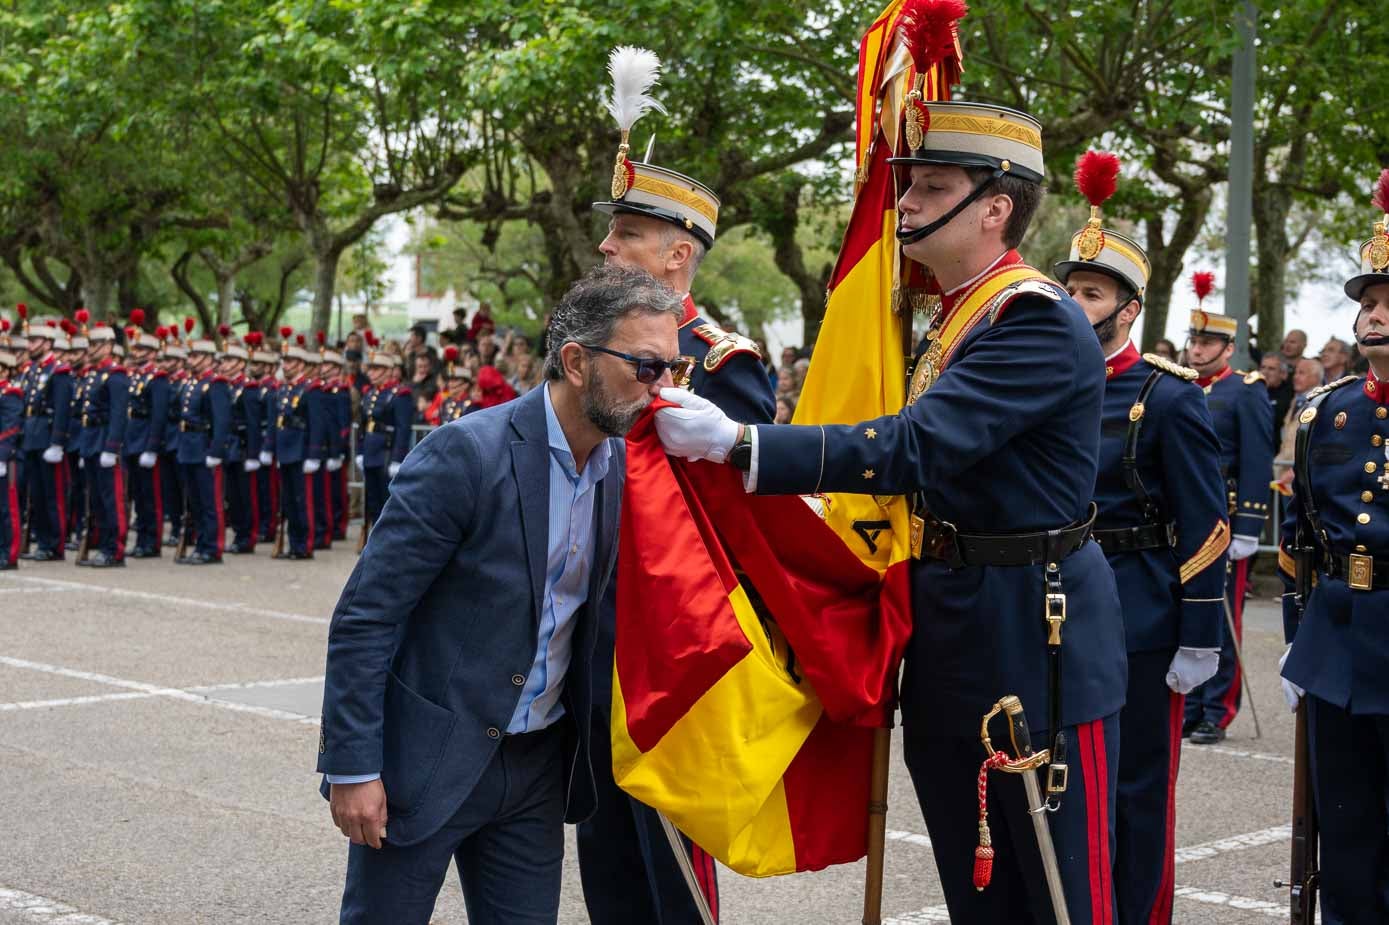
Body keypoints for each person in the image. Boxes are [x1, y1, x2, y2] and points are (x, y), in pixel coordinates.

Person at [656, 99, 1125, 924]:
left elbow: (920, 445)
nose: (901, 203)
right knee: (974, 881)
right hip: (955, 615)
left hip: (1030, 633)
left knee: (1051, 893)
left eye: (929, 184)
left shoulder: (1035, 318)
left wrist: (744, 443)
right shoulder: (955, 315)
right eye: (904, 184)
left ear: (994, 208)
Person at [318, 265, 677, 924]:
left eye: (671, 369)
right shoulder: (466, 455)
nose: (663, 389)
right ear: (575, 361)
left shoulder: (621, 468)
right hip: (425, 759)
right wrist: (352, 766)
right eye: (646, 367)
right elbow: (367, 616)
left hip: (537, 769)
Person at [580, 50, 776, 923]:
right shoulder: (586, 355)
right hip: (594, 626)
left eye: (623, 234)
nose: (603, 245)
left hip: (673, 650)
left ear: (677, 255)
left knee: (666, 869)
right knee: (604, 853)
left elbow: (746, 523)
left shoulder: (723, 366)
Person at [1054, 151, 1229, 922]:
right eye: (1066, 288)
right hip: (1054, 607)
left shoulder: (1164, 395)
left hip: (1138, 617)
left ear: (1127, 310)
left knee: (1133, 786)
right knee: (1060, 782)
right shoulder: (1043, 383)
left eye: (1090, 292)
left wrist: (1200, 631)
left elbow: (1205, 522)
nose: (1072, 303)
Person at [1278, 177, 1389, 923]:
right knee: (1344, 828)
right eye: (1366, 304)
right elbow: (1301, 542)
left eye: (1387, 303)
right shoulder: (1328, 411)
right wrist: (1298, 643)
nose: (1372, 315)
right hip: (1339, 635)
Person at [1182, 285, 1277, 744]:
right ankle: (1190, 703)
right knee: (1185, 614)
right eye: (1193, 341)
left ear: (1228, 348)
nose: (1197, 349)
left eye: (1206, 343)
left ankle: (1217, 710)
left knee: (1221, 619)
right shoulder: (1178, 385)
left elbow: (1259, 460)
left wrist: (1250, 526)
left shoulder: (1245, 391)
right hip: (1183, 519)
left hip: (1226, 517)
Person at [17, 311, 74, 561]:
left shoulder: (58, 372)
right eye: (29, 341)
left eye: (34, 341)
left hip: (47, 437)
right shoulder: (32, 371)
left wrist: (57, 441)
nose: (29, 345)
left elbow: (62, 409)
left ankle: (55, 544)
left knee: (53, 494)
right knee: (36, 495)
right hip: (31, 435)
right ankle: (42, 541)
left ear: (48, 343)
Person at [174, 328, 232, 565]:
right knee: (195, 502)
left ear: (208, 359)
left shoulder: (215, 384)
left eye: (197, 356)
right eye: (191, 356)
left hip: (204, 447)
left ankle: (212, 547)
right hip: (188, 447)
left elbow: (222, 421)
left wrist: (216, 451)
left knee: (210, 502)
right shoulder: (192, 383)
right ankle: (200, 543)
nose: (191, 360)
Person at [74, 319, 129, 567]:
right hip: (91, 441)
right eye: (90, 343)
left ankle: (114, 550)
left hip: (106, 441)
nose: (91, 348)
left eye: (96, 343)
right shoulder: (93, 374)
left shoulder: (116, 375)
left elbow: (118, 414)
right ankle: (101, 545)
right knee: (96, 498)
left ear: (109, 345)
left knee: (111, 499)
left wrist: (112, 447)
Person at [269, 331, 325, 560]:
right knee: (289, 502)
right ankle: (293, 544)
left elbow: (316, 424)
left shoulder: (310, 389)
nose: (286, 365)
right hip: (286, 450)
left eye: (290, 361)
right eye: (284, 361)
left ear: (301, 363)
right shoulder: (284, 389)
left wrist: (313, 454)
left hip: (301, 450)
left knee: (304, 502)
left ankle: (305, 544)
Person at [355, 334, 412, 542]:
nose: (372, 373)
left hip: (386, 454)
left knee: (386, 502)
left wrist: (398, 458)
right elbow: (363, 426)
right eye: (370, 369)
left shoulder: (400, 394)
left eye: (377, 369)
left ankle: (388, 542)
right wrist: (360, 451)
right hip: (371, 452)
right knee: (372, 501)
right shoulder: (370, 394)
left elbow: (403, 428)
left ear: (389, 371)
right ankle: (373, 539)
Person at [124, 317, 171, 558]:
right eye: (134, 348)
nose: (136, 352)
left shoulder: (158, 379)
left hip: (145, 442)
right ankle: (141, 538)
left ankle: (151, 541)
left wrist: (152, 447)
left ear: (152, 353)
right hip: (132, 440)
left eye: (141, 349)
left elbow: (159, 416)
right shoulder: (135, 377)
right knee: (139, 496)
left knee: (151, 496)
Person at [221, 331, 264, 554]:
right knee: (232, 495)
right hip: (231, 448)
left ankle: (247, 536)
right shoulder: (228, 387)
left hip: (245, 448)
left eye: (229, 360)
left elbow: (254, 424)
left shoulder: (249, 389)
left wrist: (254, 455)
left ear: (239, 363)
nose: (225, 364)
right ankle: (239, 533)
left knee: (246, 496)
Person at [160, 325, 192, 550]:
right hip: (165, 439)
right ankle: (174, 525)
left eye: (171, 359)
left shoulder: (184, 383)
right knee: (169, 488)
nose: (165, 363)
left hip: (180, 438)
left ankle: (186, 528)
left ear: (181, 362)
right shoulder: (167, 381)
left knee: (184, 488)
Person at [1275, 358, 1324, 486]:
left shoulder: (1321, 402)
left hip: (1303, 478)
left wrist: (1296, 469)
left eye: (1301, 373)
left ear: (1315, 377)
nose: (1295, 377)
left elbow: (1317, 443)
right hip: (1285, 477)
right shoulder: (1296, 400)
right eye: (1296, 373)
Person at [0, 334, 23, 570]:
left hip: (6, 459)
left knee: (8, 508)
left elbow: (12, 427)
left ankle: (11, 553)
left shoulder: (10, 393)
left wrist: (2, 455)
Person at [437, 348, 476, 422]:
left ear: (465, 385)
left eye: (455, 380)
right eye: (449, 380)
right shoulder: (445, 403)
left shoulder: (471, 405)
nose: (450, 383)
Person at [1261, 352, 1294, 429]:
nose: (1265, 372)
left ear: (1283, 374)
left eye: (1271, 369)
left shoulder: (1290, 395)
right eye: (1263, 367)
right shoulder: (1252, 390)